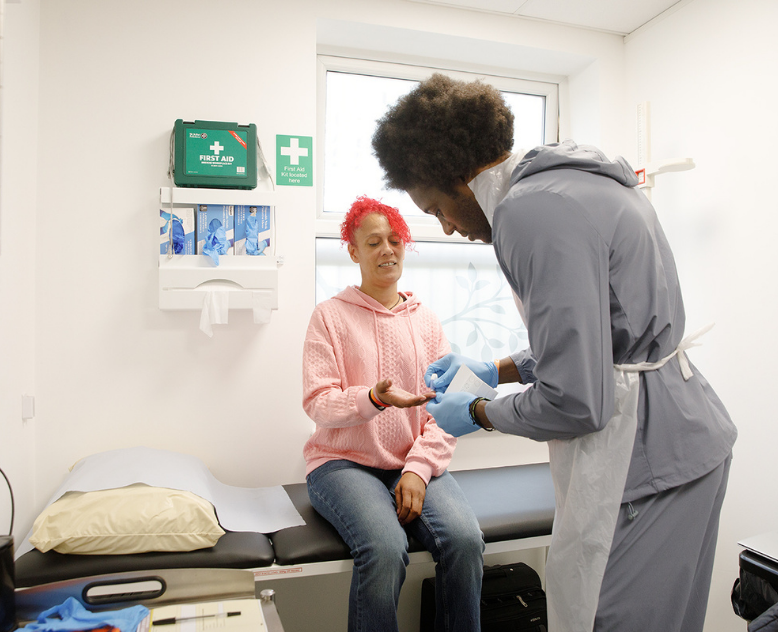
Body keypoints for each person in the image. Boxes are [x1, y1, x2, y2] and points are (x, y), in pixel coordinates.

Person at [372, 74, 737, 632]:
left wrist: (477, 413)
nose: (445, 224)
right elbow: (603, 338)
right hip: (684, 434)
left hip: (648, 452)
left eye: (436, 207)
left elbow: (577, 400)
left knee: (607, 620)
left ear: (460, 179)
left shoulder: (527, 212)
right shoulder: (571, 182)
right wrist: (497, 369)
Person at [302, 196, 484, 632]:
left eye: (395, 239)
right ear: (353, 251)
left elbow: (448, 410)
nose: (387, 249)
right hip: (342, 465)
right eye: (374, 242)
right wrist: (373, 398)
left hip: (411, 462)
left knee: (465, 541)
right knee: (384, 548)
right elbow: (318, 403)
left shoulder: (426, 321)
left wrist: (419, 469)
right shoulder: (328, 317)